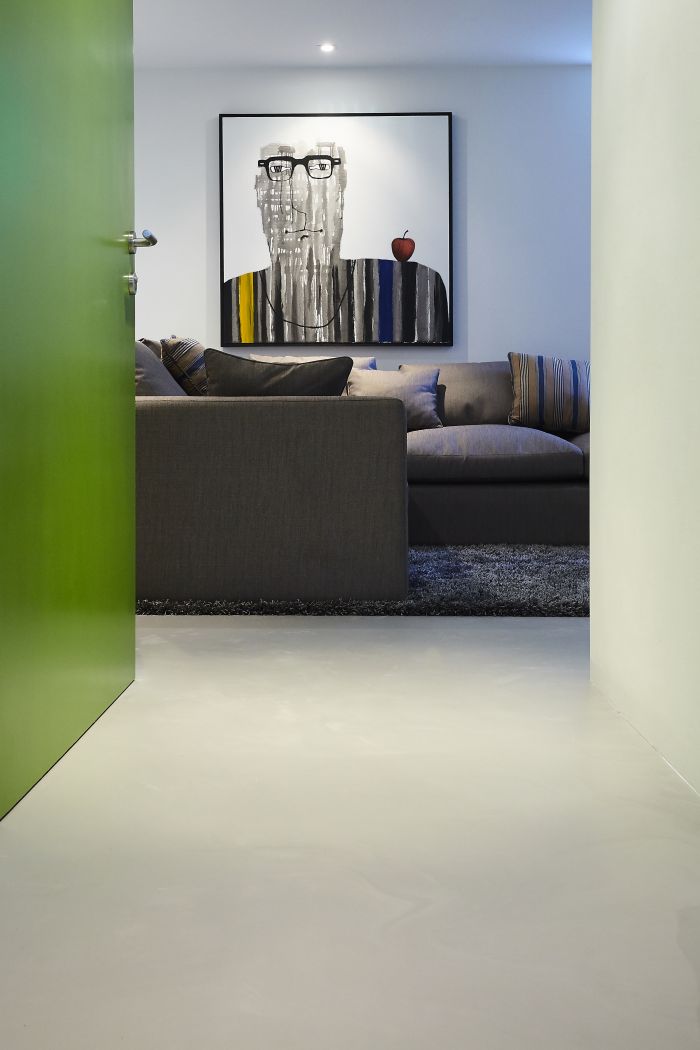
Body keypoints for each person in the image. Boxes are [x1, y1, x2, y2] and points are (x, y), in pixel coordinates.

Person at [222, 142, 450, 345]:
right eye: (279, 168)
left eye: (322, 167)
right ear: (260, 195)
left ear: (342, 193)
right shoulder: (233, 297)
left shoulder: (419, 287)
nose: (300, 204)